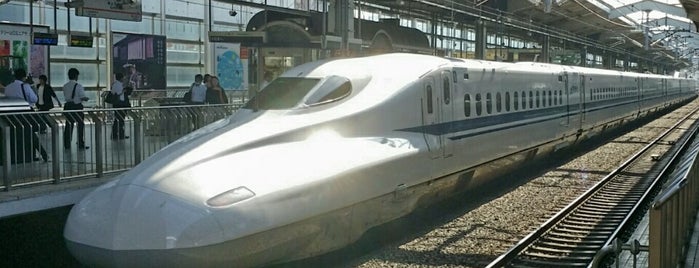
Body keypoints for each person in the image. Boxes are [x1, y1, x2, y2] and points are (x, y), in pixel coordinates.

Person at [5, 69, 46, 161]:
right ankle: (43, 154)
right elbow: (34, 99)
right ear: (24, 77)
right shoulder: (25, 86)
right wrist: (32, 86)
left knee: (19, 135)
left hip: (11, 115)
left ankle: (37, 155)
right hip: (25, 114)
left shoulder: (8, 87)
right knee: (30, 134)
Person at [63, 68, 89, 150]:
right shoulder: (79, 86)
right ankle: (80, 143)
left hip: (67, 107)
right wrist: (86, 98)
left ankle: (67, 144)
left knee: (68, 125)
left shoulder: (65, 86)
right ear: (76, 76)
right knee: (80, 125)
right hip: (77, 107)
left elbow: (66, 96)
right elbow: (82, 97)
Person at [110, 73, 130, 140]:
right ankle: (121, 134)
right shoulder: (120, 85)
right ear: (121, 78)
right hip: (120, 104)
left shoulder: (114, 84)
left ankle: (114, 134)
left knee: (116, 119)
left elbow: (113, 93)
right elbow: (119, 93)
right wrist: (123, 91)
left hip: (116, 104)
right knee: (121, 119)